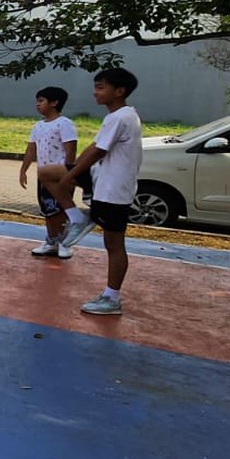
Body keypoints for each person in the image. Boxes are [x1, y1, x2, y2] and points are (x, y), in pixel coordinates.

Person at [51, 68, 144, 317]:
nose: (95, 92)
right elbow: (93, 146)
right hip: (104, 184)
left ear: (120, 91)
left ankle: (112, 298)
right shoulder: (119, 116)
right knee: (47, 173)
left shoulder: (120, 117)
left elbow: (98, 152)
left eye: (101, 87)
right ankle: (79, 217)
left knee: (114, 244)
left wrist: (69, 177)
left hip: (114, 191)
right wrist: (72, 169)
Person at [19, 86, 78, 258]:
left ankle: (65, 242)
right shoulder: (37, 126)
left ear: (54, 103)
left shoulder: (64, 124)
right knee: (48, 209)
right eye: (37, 101)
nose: (37, 104)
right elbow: (31, 149)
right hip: (43, 176)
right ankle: (52, 241)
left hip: (60, 176)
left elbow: (70, 150)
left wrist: (68, 174)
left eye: (41, 101)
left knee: (61, 210)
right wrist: (24, 170)